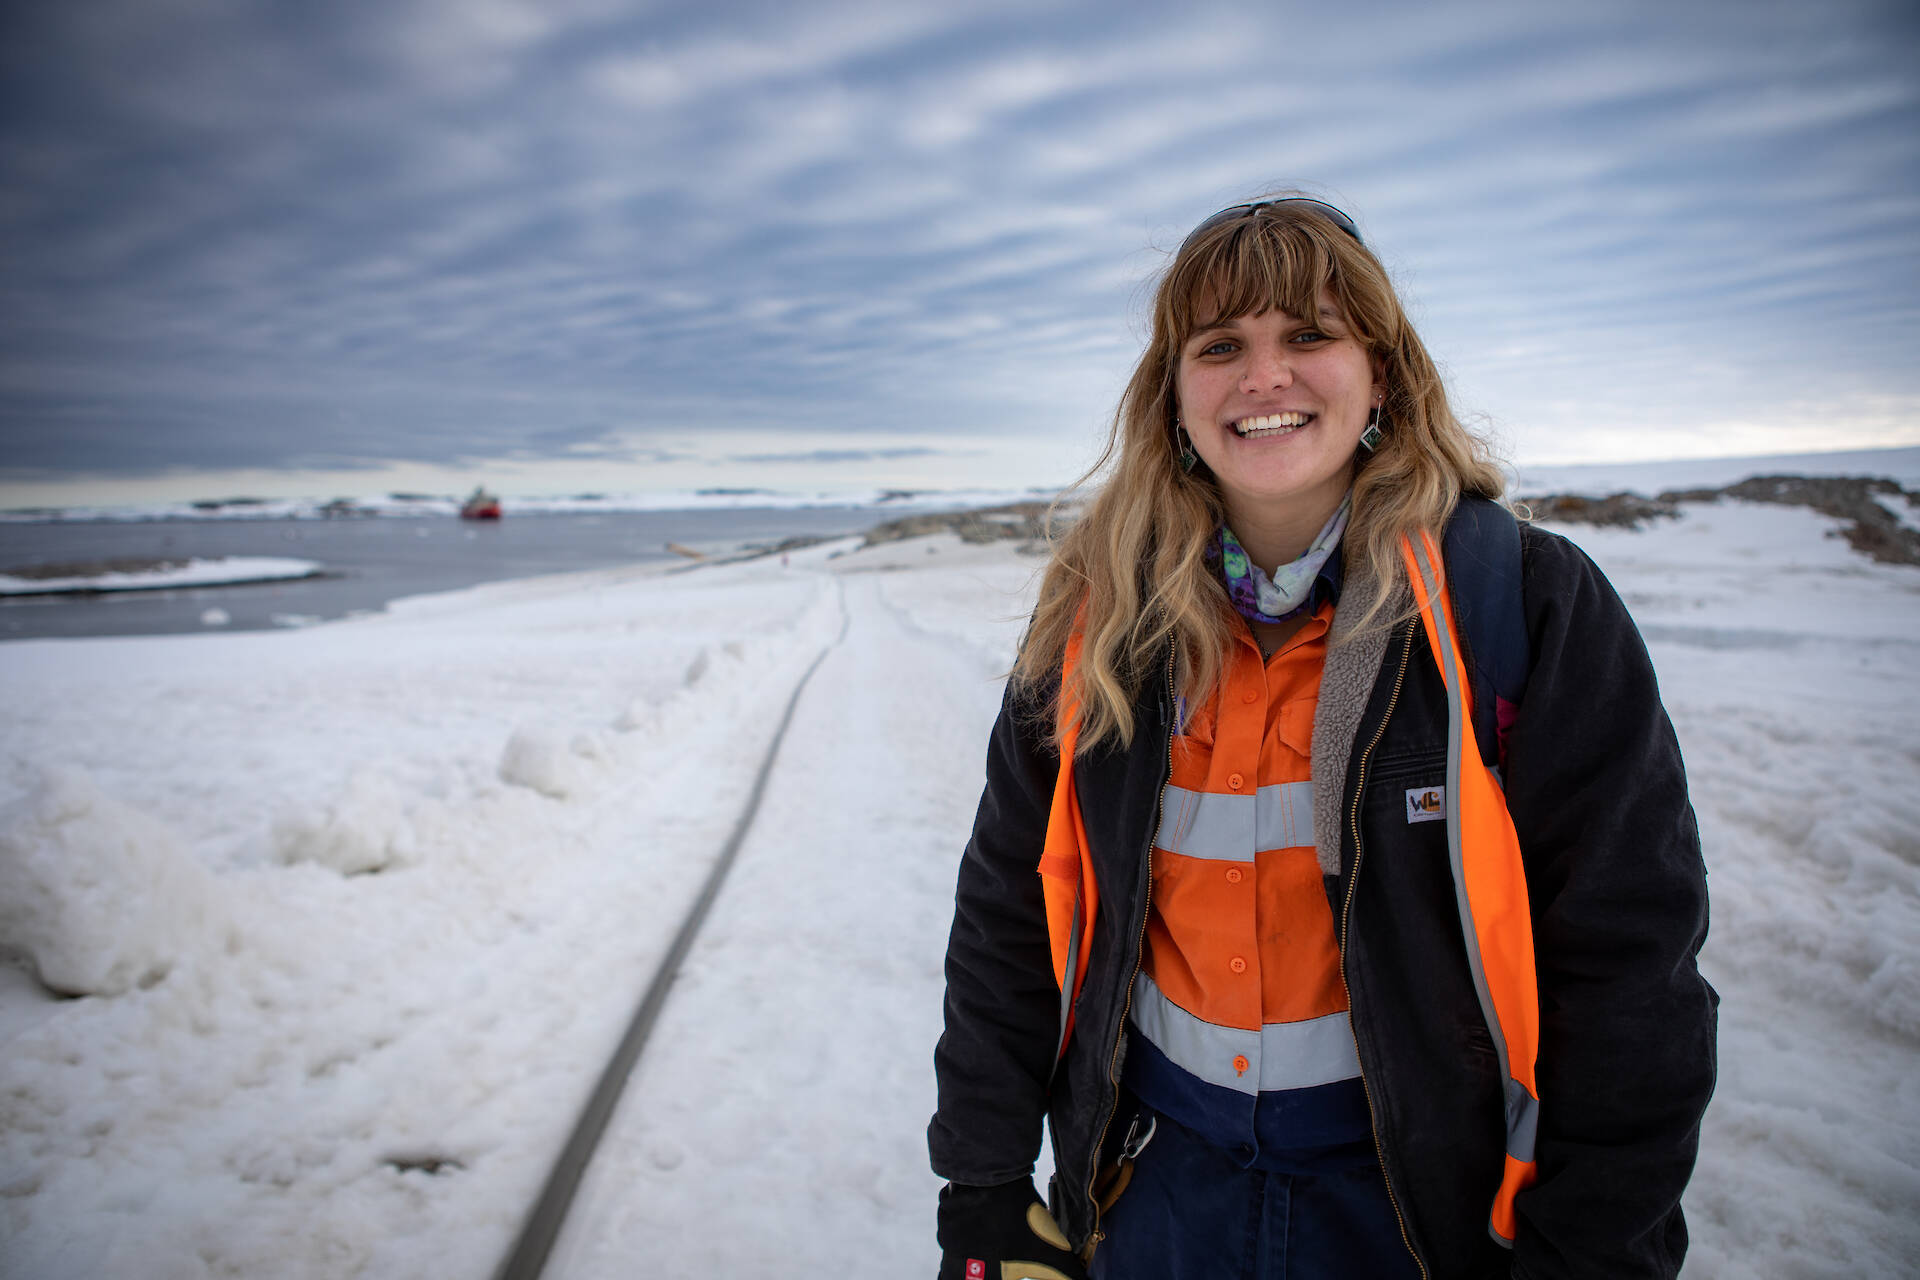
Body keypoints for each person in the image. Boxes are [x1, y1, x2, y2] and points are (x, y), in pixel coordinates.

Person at [928, 196, 1717, 1280]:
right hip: (1154, 1193)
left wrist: (1592, 1252)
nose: (1265, 377)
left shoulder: (1523, 604)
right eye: (1220, 346)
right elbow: (1009, 911)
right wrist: (981, 1181)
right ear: (1173, 395)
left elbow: (1631, 966)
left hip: (1419, 1215)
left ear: (1381, 374)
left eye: (1309, 333)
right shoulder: (1097, 620)